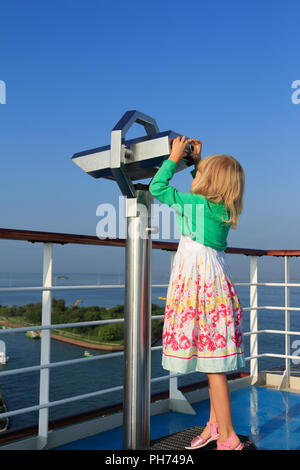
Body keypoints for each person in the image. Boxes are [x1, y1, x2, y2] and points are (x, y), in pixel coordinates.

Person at [149, 136, 245, 451]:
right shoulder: (221, 210)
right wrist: (197, 165)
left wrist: (175, 158)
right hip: (216, 285)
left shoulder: (196, 205)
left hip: (199, 288)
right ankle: (214, 425)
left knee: (213, 369)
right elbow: (202, 191)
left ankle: (229, 439)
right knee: (212, 360)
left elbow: (157, 188)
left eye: (203, 173)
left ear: (208, 183)